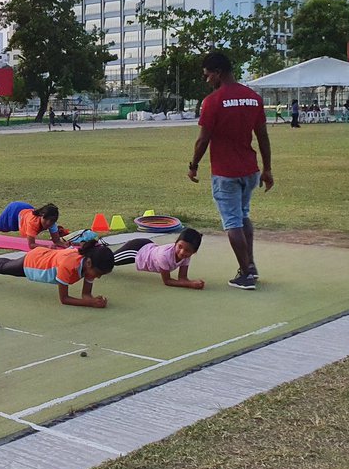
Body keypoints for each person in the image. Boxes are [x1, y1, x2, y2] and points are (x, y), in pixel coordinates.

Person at [188, 50, 273, 291]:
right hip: (250, 169)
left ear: (218, 73)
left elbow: (203, 140)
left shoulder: (213, 101)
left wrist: (193, 166)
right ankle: (251, 265)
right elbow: (263, 137)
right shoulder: (253, 98)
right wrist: (267, 169)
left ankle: (245, 274)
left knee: (233, 221)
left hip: (226, 172)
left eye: (208, 75)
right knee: (243, 216)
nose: (207, 80)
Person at [0, 240, 115, 308]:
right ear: (89, 263)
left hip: (46, 255)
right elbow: (64, 299)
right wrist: (90, 303)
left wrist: (94, 300)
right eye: (98, 273)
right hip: (35, 263)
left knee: (7, 264)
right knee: (6, 267)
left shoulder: (90, 265)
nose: (98, 277)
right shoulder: (70, 266)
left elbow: (86, 295)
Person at [110, 228, 205, 289]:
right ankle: (96, 251)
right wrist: (190, 285)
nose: (182, 252)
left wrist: (193, 282)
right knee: (108, 261)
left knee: (107, 262)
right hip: (137, 250)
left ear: (194, 252)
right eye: (180, 246)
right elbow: (167, 281)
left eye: (187, 250)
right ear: (175, 243)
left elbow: (182, 278)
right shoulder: (164, 255)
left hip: (148, 246)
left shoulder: (186, 257)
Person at [0, 201, 68, 250]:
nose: (48, 224)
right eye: (46, 220)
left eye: (52, 221)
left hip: (24, 211)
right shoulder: (33, 223)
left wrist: (64, 244)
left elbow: (56, 241)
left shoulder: (52, 224)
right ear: (42, 215)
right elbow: (31, 245)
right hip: (15, 211)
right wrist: (47, 246)